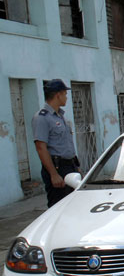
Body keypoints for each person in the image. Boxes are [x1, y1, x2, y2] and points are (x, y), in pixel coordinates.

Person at [32, 79, 80, 208]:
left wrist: (76, 166)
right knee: (58, 207)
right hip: (57, 168)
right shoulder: (42, 117)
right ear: (58, 94)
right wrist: (53, 174)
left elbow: (66, 144)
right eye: (65, 94)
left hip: (70, 166)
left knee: (73, 205)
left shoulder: (60, 116)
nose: (66, 98)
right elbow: (41, 148)